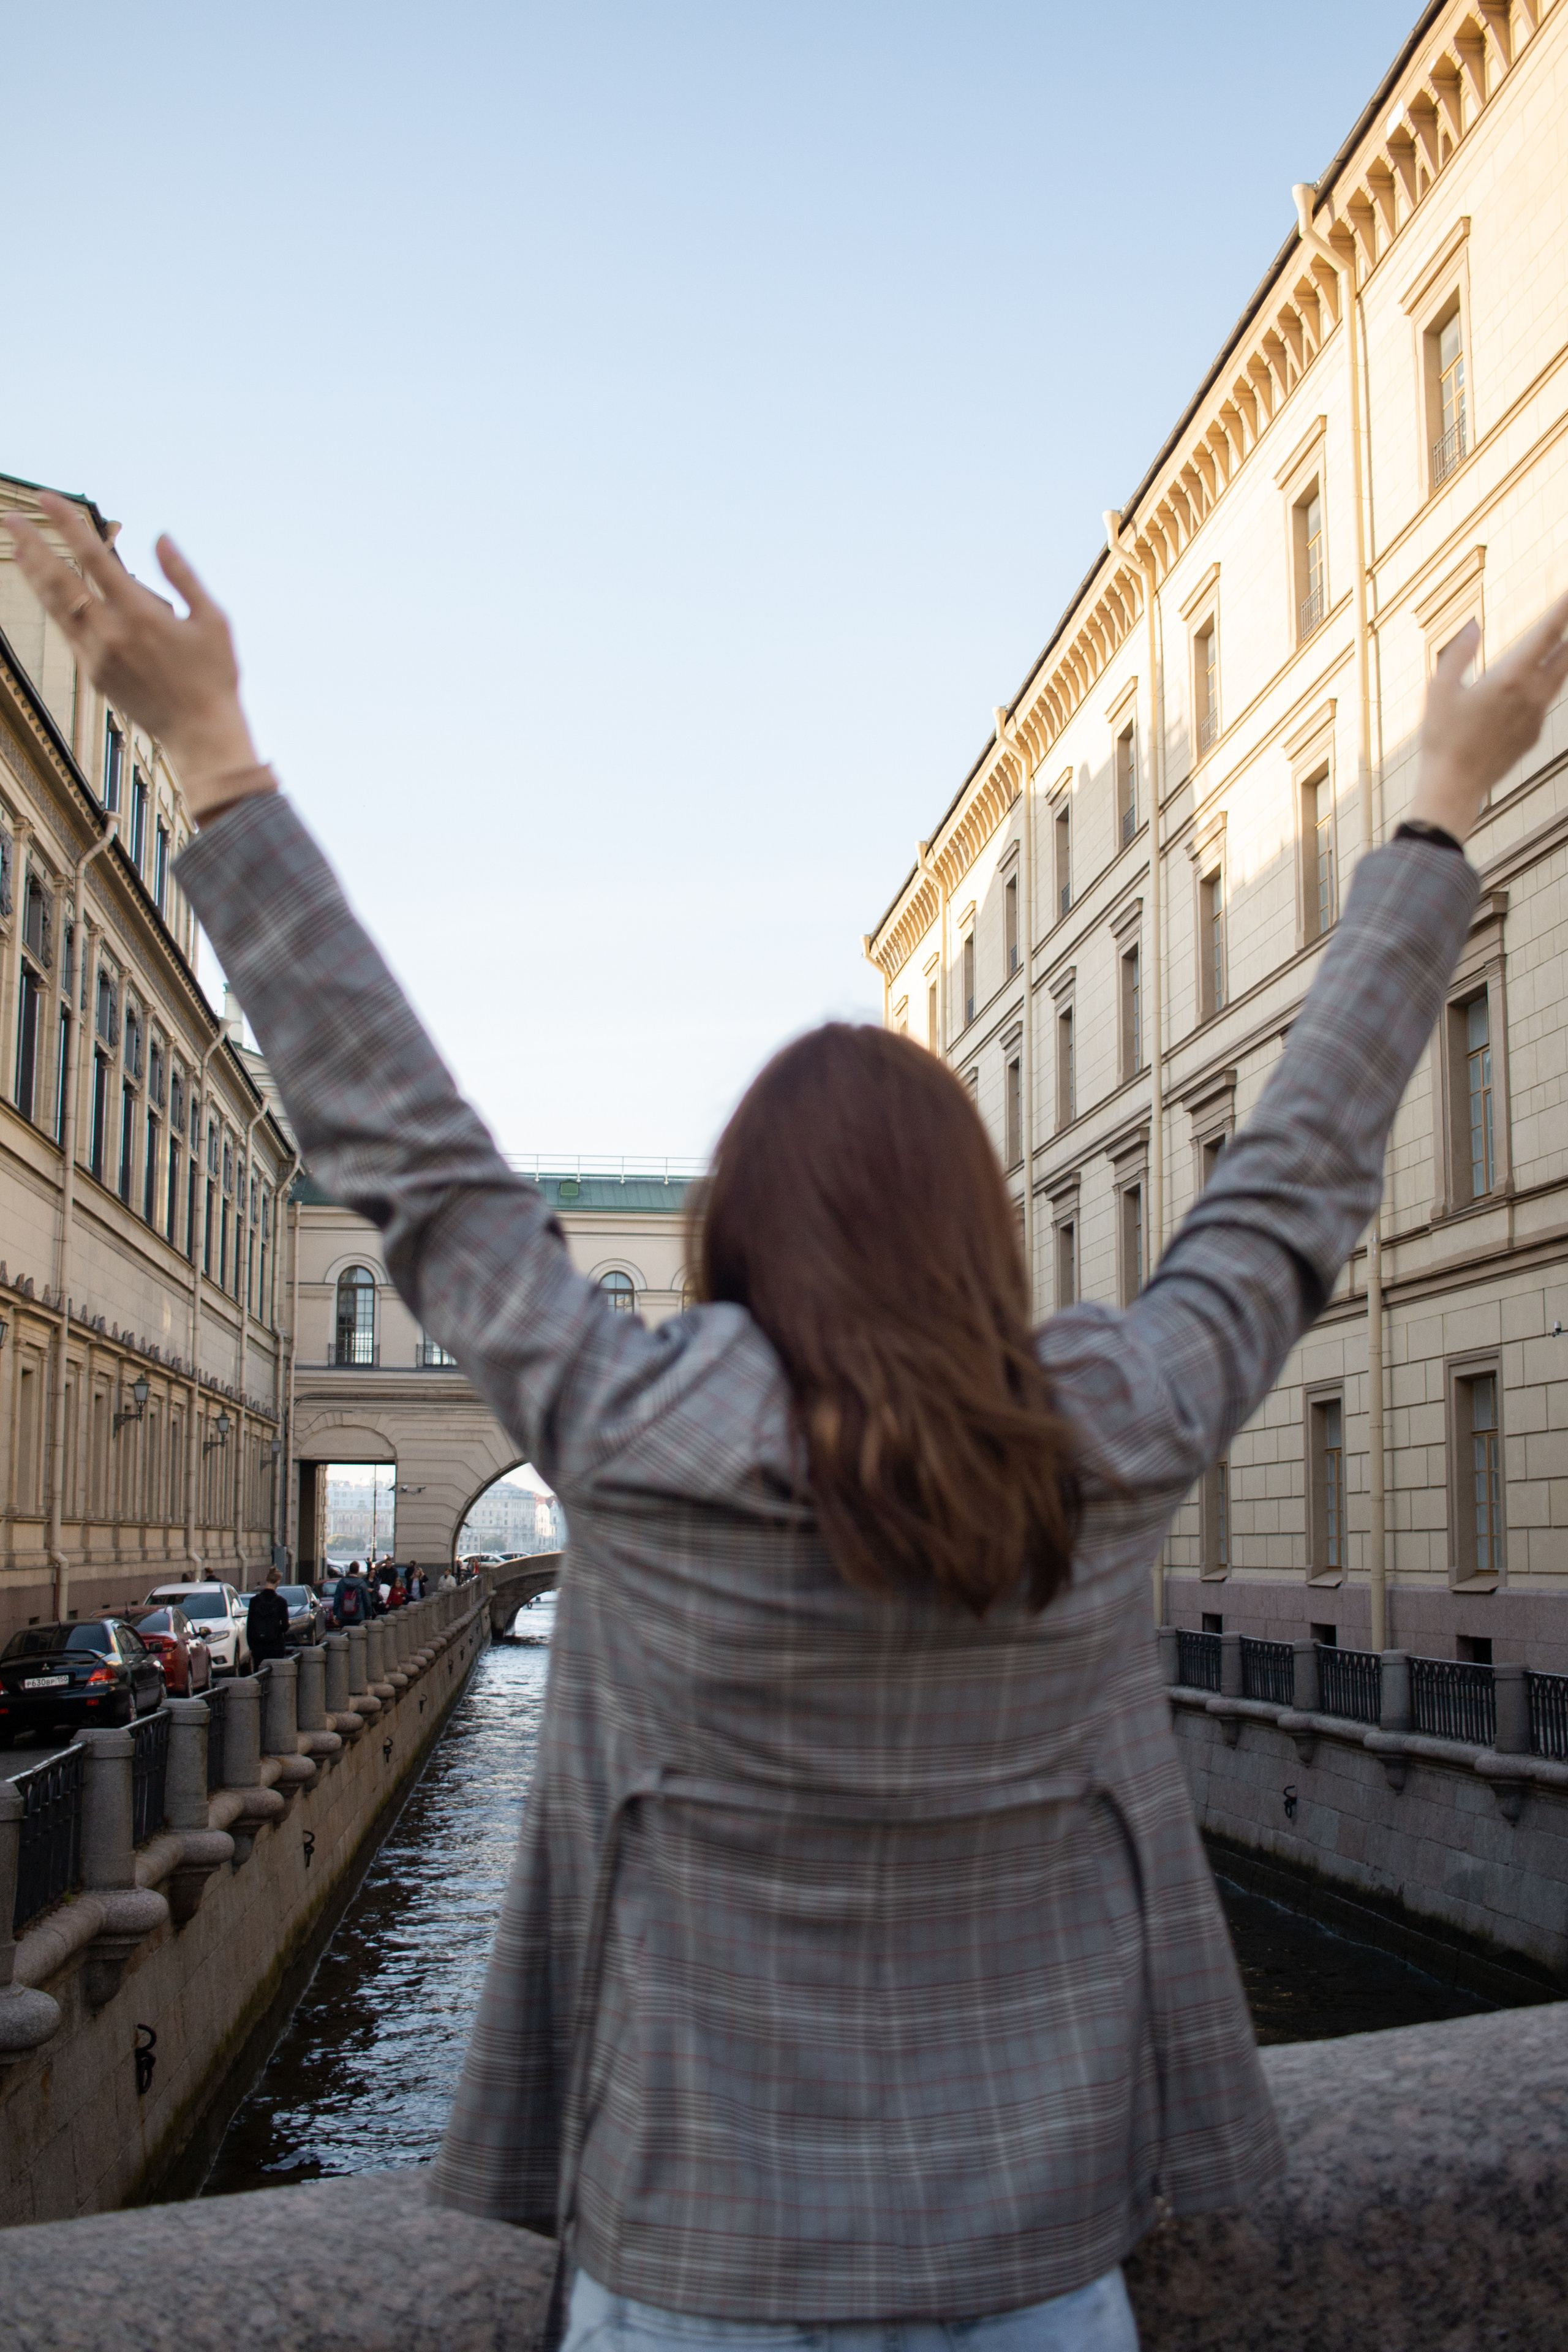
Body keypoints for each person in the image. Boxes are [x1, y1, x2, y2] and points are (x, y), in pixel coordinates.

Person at [9, 496, 1566, 2352]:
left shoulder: (637, 1420)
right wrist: (1429, 814)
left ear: (732, 1236)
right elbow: (1295, 1178)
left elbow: (407, 1150)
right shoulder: (1101, 1431)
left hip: (692, 2272)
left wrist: (211, 753)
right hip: (1038, 2270)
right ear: (978, 1231)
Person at [246, 1565, 290, 1665]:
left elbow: (250, 1626)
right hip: (276, 1645)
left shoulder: (254, 1601)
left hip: (258, 1646)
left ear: (266, 1580)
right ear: (278, 1582)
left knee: (260, 1674)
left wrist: (251, 1646)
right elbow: (285, 1627)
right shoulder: (281, 1602)